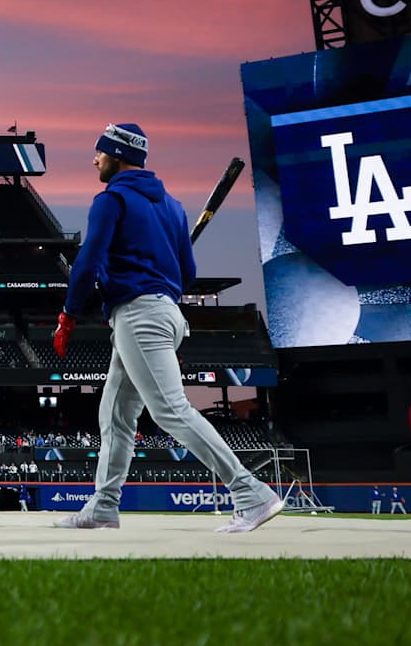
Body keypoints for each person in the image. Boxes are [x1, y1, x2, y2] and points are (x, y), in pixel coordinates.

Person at [51, 124, 283, 535]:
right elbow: (188, 275)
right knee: (116, 415)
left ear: (117, 155)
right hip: (162, 313)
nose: (94, 160)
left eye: (99, 153)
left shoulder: (111, 200)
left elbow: (87, 262)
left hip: (140, 316)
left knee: (171, 411)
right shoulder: (174, 207)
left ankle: (251, 493)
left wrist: (69, 314)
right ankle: (103, 508)